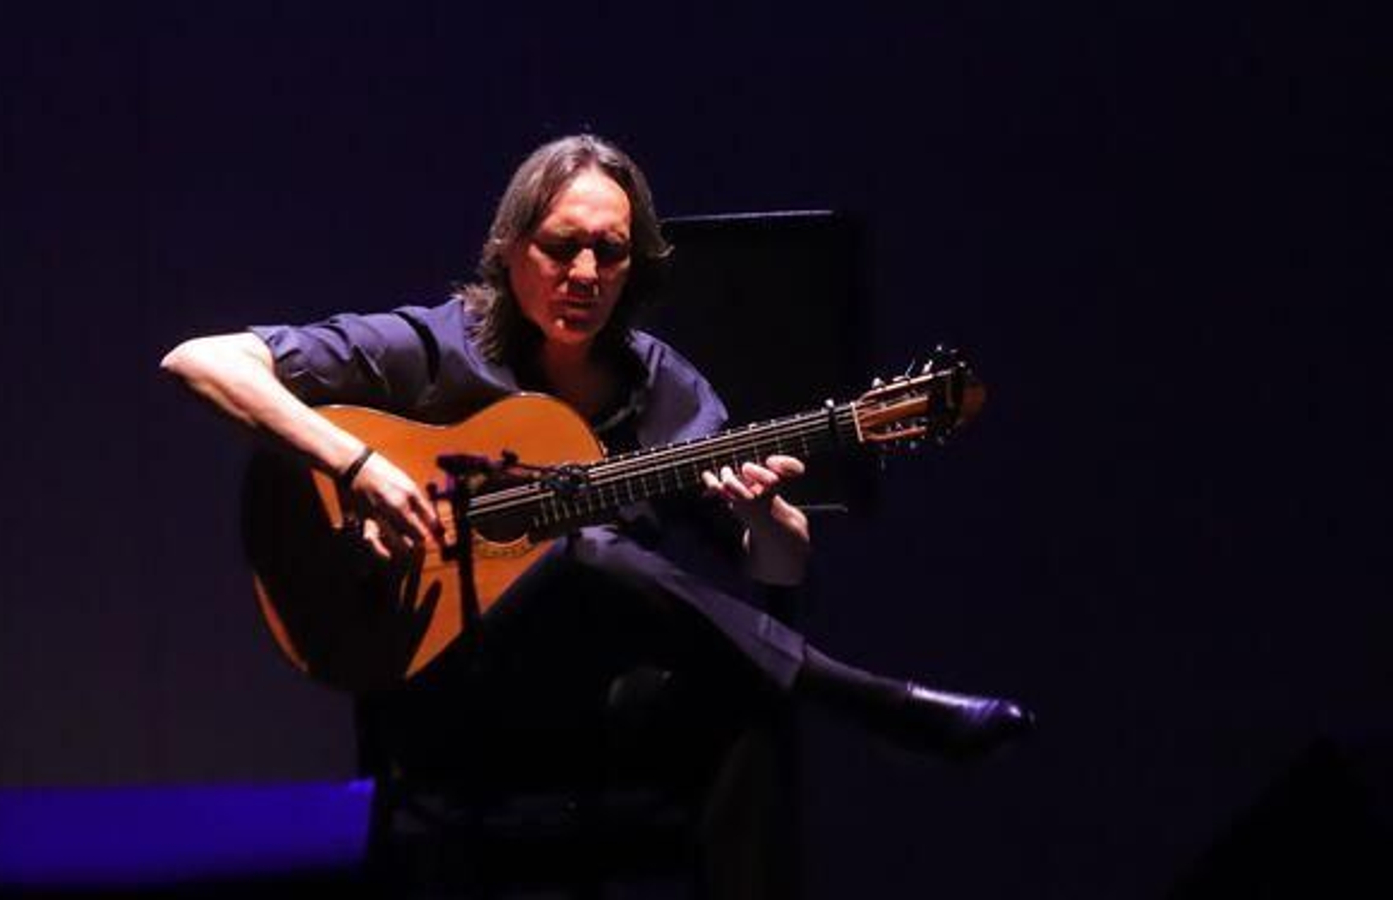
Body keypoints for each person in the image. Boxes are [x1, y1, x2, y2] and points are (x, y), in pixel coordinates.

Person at [162, 133, 1033, 888]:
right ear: (509, 250)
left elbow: (779, 568)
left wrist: (765, 519)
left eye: (610, 253)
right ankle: (868, 698)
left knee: (741, 700)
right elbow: (200, 361)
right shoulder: (432, 348)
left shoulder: (664, 386)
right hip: (449, 686)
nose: (584, 275)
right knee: (582, 547)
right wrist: (353, 464)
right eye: (560, 246)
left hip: (603, 696)